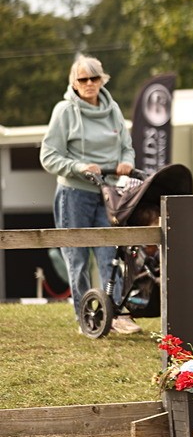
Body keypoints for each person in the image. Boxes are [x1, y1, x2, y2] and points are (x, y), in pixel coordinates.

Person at [39, 56, 139, 332]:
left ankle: (115, 315)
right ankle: (87, 318)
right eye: (83, 79)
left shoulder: (112, 109)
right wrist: (79, 167)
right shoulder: (64, 111)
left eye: (94, 78)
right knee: (78, 259)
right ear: (74, 83)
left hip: (108, 193)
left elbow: (126, 147)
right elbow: (48, 156)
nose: (89, 84)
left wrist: (126, 162)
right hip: (74, 194)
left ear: (102, 80)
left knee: (110, 255)